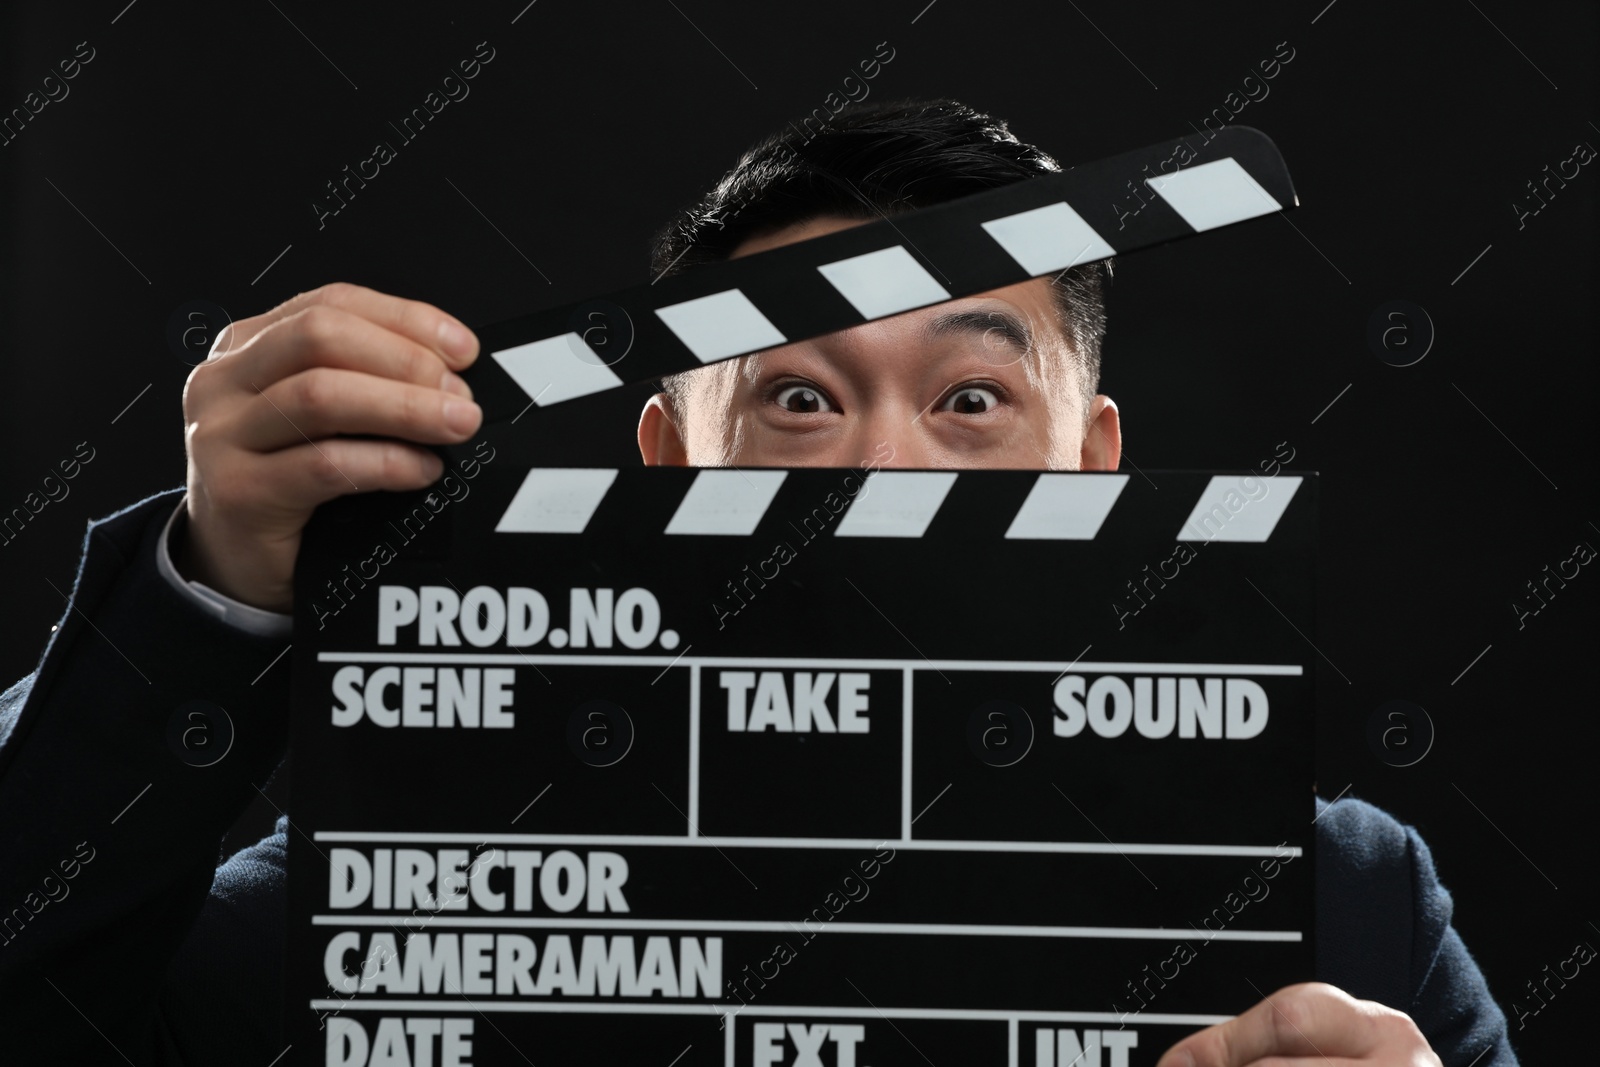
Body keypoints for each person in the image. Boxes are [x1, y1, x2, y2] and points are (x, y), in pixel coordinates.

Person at [0, 99, 1514, 1065]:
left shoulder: (1343, 904)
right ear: (665, 459)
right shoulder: (406, 895)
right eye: (796, 399)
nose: (880, 470)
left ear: (1096, 463)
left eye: (973, 402)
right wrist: (207, 600)